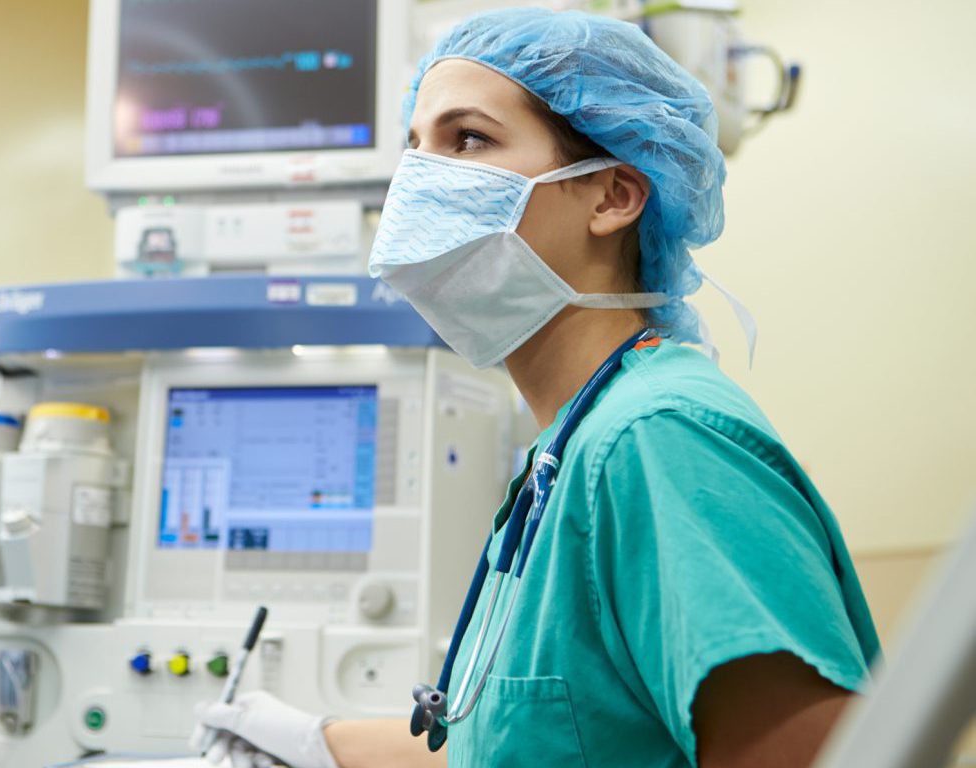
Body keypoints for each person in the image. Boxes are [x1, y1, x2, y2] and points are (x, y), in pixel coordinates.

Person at [193, 8, 879, 768]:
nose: (419, 179)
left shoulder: (657, 439)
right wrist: (315, 743)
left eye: (469, 139)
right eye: (414, 146)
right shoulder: (566, 451)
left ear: (613, 196)